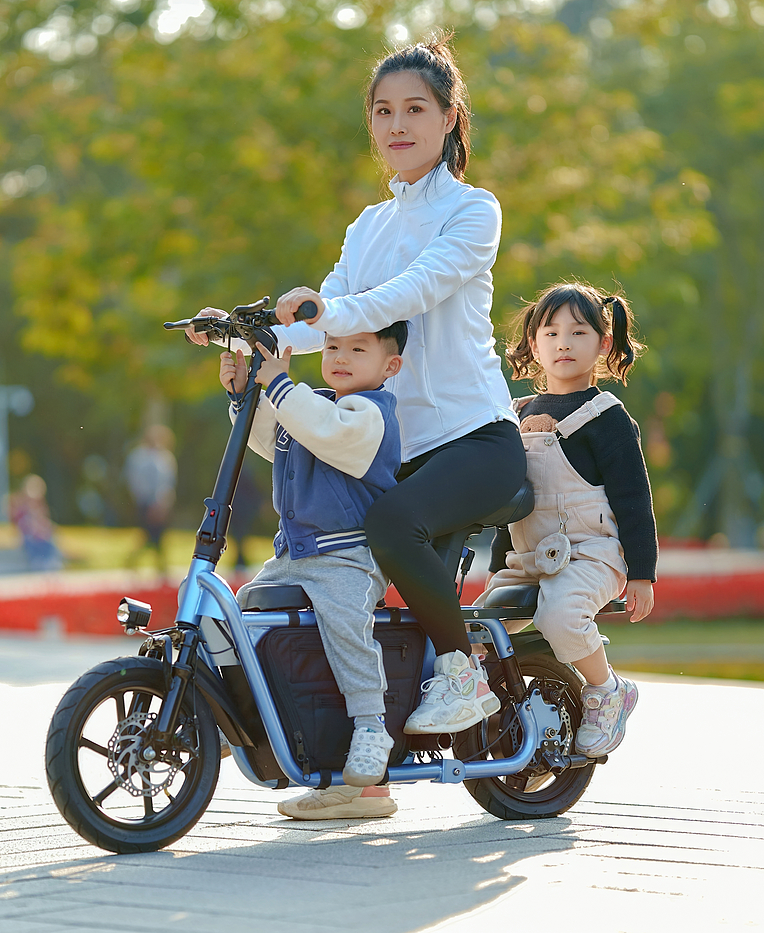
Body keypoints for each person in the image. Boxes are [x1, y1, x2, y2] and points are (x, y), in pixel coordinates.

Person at [191, 37, 524, 814]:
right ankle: (364, 775)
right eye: (383, 111)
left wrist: (322, 311)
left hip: (475, 441)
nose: (397, 124)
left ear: (449, 119)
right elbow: (328, 322)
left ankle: (464, 670)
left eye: (415, 109)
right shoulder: (366, 225)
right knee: (349, 593)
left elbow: (401, 297)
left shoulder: (474, 212)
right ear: (370, 125)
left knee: (388, 525)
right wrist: (254, 340)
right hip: (398, 450)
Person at [221, 321, 406, 818]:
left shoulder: (372, 414)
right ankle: (238, 712)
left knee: (346, 622)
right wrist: (245, 397)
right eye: (332, 347)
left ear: (391, 366)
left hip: (348, 554)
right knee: (242, 617)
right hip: (297, 555)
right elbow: (276, 437)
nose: (341, 356)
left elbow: (326, 430)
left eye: (358, 349)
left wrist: (280, 383)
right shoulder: (317, 407)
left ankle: (371, 725)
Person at [480, 281, 657, 756]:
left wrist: (641, 574)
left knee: (559, 615)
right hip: (528, 556)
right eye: (551, 332)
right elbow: (511, 502)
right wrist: (501, 566)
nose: (563, 343)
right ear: (533, 346)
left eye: (578, 332)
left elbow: (635, 501)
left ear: (603, 343)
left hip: (592, 554)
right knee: (478, 630)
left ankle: (607, 690)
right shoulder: (512, 416)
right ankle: (493, 715)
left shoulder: (607, 417)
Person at [124, 425, 177, 571]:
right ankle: (156, 564)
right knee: (148, 533)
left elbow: (167, 483)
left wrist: (162, 503)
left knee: (157, 535)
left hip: (160, 504)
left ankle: (158, 565)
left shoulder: (165, 458)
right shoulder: (138, 457)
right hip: (145, 502)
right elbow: (136, 481)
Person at [10, 474, 62, 571]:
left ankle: (51, 564)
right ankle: (41, 564)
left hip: (42, 538)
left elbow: (43, 522)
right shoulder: (22, 508)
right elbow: (22, 524)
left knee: (50, 540)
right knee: (38, 544)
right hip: (31, 539)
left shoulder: (40, 507)